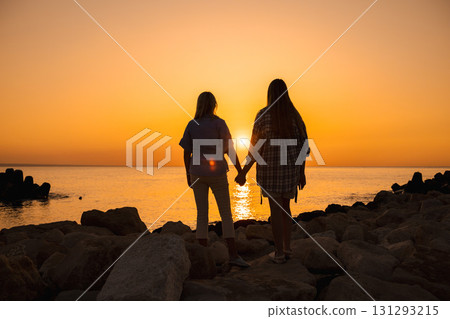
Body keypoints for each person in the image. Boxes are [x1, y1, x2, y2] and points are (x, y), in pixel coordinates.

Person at [236, 79, 308, 264]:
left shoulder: (263, 115)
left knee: (276, 211)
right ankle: (287, 248)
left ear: (269, 94)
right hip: (290, 171)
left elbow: (254, 149)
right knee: (286, 209)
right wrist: (301, 173)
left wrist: (244, 172)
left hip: (270, 172)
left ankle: (278, 253)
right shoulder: (294, 116)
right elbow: (304, 146)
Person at [180, 91, 249, 268]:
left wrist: (188, 174)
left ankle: (203, 257)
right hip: (217, 172)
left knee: (202, 214)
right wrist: (240, 172)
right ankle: (233, 255)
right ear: (214, 105)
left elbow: (186, 152)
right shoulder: (219, 123)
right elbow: (230, 149)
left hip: (196, 173)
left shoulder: (191, 124)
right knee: (226, 213)